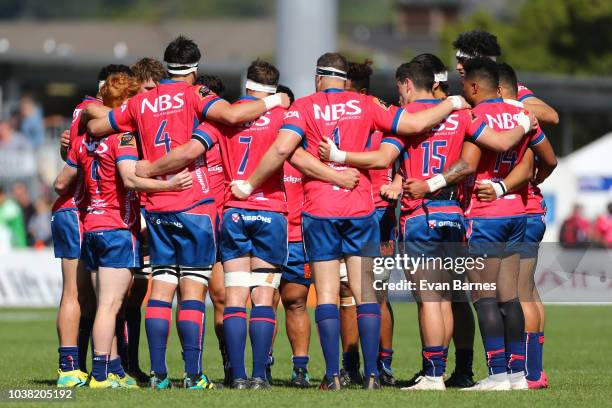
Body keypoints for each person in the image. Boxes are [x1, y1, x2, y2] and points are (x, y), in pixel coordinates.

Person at [230, 51, 474, 390]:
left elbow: (283, 149)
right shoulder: (368, 103)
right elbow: (416, 124)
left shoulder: (304, 107)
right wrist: (453, 103)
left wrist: (249, 183)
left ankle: (333, 376)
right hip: (360, 207)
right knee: (365, 295)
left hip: (320, 208)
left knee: (328, 294)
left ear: (319, 78)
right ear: (346, 79)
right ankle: (373, 375)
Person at [134, 60, 357, 389]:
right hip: (271, 214)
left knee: (235, 296)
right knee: (264, 296)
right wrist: (337, 175)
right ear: (275, 87)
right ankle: (259, 376)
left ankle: (236, 377)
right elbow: (294, 156)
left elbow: (192, 149)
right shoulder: (285, 115)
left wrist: (148, 168)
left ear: (247, 85)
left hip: (233, 212)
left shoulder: (224, 116)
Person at [85, 36, 291, 390]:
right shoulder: (196, 96)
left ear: (167, 67)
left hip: (157, 209)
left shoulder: (142, 101)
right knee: (193, 291)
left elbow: (96, 126)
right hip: (193, 203)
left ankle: (159, 374)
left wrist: (104, 118)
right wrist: (276, 99)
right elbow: (232, 114)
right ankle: (194, 375)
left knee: (161, 289)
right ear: (194, 70)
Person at [319, 57, 534, 390]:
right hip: (455, 216)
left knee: (430, 300)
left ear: (407, 84)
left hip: (420, 216)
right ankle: (475, 371)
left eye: (399, 89)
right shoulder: (462, 114)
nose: (399, 95)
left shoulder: (404, 119)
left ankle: (433, 374)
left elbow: (382, 158)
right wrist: (524, 123)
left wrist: (339, 157)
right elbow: (500, 144)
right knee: (451, 298)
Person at [405, 58, 544, 391]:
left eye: (465, 85)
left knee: (484, 298)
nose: (463, 91)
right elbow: (544, 161)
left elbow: (467, 164)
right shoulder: (521, 114)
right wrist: (508, 186)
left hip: (483, 214)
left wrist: (429, 185)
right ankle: (518, 375)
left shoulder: (475, 115)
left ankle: (496, 374)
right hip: (518, 211)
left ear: (476, 86)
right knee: (509, 298)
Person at [55, 71, 193, 388]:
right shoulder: (125, 137)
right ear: (125, 103)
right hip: (117, 226)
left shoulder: (84, 140)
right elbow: (130, 178)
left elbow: (61, 182)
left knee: (106, 303)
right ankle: (102, 374)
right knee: (110, 306)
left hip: (90, 226)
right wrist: (170, 185)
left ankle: (113, 369)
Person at [476, 62, 557, 390]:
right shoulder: (526, 115)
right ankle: (534, 372)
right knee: (528, 290)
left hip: (505, 209)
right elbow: (549, 160)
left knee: (508, 294)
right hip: (531, 208)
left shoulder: (499, 114)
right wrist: (538, 179)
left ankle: (521, 372)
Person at [52, 64, 131, 387]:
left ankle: (110, 367)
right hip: (77, 210)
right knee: (76, 292)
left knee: (101, 298)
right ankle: (69, 367)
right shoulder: (89, 108)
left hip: (83, 210)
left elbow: (71, 154)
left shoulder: (90, 122)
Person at [452, 29, 559, 126]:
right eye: (458, 61)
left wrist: (502, 104)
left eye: (462, 60)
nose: (458, 66)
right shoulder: (464, 91)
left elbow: (552, 116)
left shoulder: (508, 87)